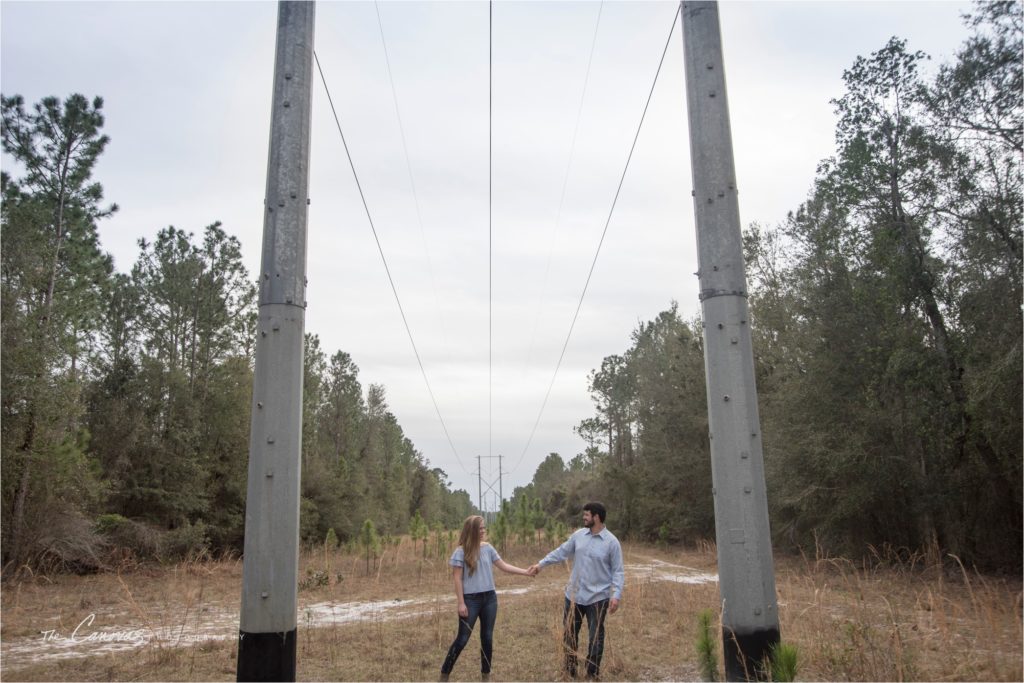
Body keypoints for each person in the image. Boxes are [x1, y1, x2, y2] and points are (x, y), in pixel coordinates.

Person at [528, 502, 624, 681]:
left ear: (596, 517)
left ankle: (591, 673)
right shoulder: (578, 536)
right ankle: (570, 671)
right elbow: (561, 552)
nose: (584, 518)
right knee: (569, 635)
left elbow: (618, 571)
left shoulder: (612, 542)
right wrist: (540, 565)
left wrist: (616, 595)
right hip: (574, 596)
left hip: (598, 598)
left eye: (587, 515)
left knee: (596, 637)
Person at [440, 514, 533, 682]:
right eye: (480, 528)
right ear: (472, 530)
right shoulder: (460, 552)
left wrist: (525, 572)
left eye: (484, 527)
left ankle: (485, 676)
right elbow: (457, 579)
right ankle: (444, 675)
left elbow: (503, 566)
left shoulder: (488, 548)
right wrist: (461, 603)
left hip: (489, 599)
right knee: (462, 639)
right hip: (470, 600)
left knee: (487, 638)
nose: (484, 530)